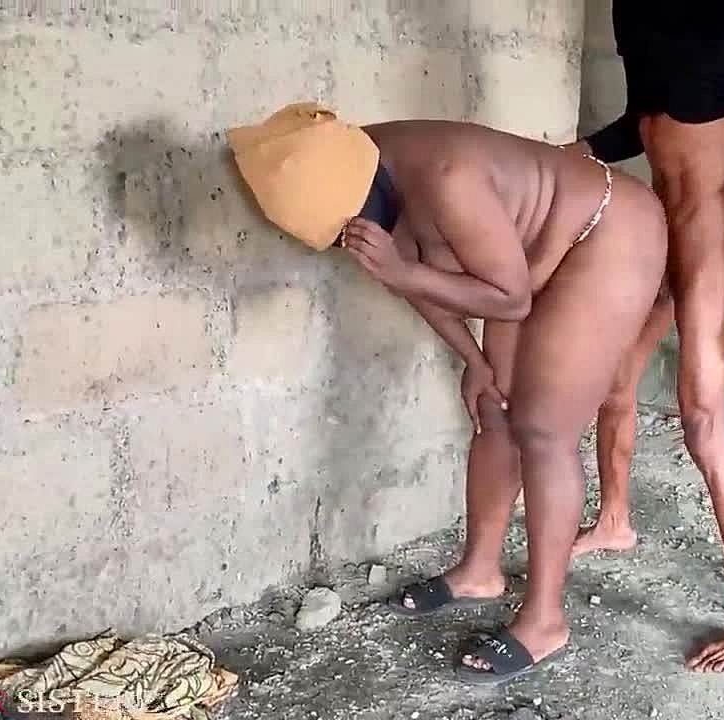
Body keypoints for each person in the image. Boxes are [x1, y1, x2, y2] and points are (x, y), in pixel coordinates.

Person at [227, 103, 668, 685]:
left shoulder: (444, 178)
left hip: (606, 232)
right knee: (493, 404)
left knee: (544, 430)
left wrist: (399, 272)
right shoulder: (358, 164)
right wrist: (475, 360)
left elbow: (505, 297)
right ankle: (480, 571)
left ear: (365, 196)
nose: (348, 245)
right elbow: (421, 278)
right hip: (521, 260)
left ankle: (544, 621)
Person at [562, 0, 724, 673]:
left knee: (703, 425)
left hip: (708, 230)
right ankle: (615, 520)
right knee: (612, 379)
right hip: (658, 222)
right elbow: (643, 120)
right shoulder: (635, 10)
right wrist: (575, 153)